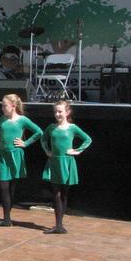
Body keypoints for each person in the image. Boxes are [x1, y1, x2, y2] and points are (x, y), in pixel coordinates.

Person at [41, 100, 92, 234]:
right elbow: (43, 139)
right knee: (56, 193)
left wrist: (77, 150)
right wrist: (47, 150)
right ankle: (58, 225)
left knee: (64, 193)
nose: (57, 114)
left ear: (67, 112)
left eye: (60, 111)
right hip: (55, 162)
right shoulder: (51, 128)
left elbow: (87, 139)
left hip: (67, 162)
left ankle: (60, 224)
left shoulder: (72, 128)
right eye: (55, 112)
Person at [0, 94, 42, 227]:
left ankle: (8, 216)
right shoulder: (2, 119)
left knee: (12, 187)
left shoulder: (22, 120)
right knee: (3, 186)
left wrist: (25, 143)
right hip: (3, 155)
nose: (2, 108)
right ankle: (6, 218)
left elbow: (38, 132)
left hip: (15, 155)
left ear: (13, 106)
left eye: (5, 105)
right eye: (2, 105)